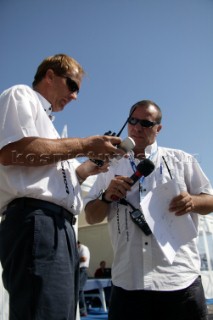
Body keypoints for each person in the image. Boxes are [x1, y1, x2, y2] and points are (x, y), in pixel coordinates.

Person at [0, 53, 124, 320]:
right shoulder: (21, 95)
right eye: (73, 86)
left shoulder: (52, 130)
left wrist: (94, 163)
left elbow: (64, 180)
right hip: (36, 221)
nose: (76, 96)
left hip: (58, 226)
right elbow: (13, 151)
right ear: (50, 75)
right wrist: (83, 145)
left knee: (60, 312)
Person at [84, 100, 213, 320]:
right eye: (133, 120)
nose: (137, 127)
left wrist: (192, 201)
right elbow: (91, 216)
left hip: (179, 281)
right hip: (128, 284)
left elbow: (210, 200)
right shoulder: (109, 166)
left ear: (158, 128)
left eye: (146, 122)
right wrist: (106, 197)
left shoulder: (182, 159)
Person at [77, 241, 90, 317]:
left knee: (79, 289)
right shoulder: (80, 248)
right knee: (78, 289)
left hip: (82, 269)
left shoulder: (83, 248)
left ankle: (82, 310)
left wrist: (74, 259)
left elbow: (84, 258)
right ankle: (81, 310)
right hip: (79, 270)